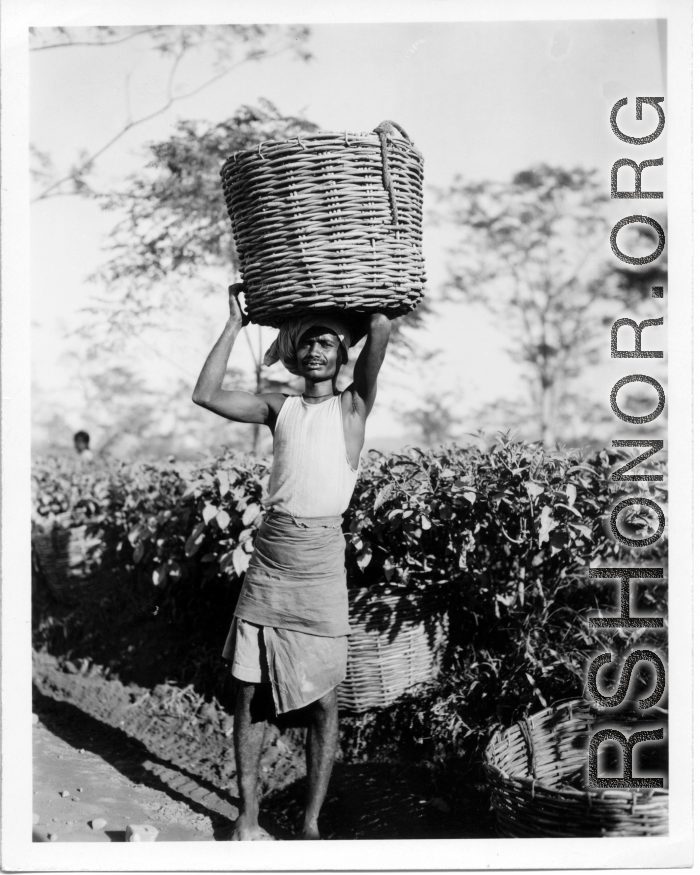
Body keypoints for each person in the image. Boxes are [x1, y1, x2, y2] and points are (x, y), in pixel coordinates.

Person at [192, 284, 391, 840]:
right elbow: (205, 395)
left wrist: (361, 293)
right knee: (248, 691)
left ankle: (309, 825)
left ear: (341, 354)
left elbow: (380, 326)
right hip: (273, 556)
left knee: (324, 701)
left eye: (327, 342)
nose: (316, 351)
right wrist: (234, 325)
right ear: (294, 352)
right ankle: (248, 817)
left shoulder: (354, 405)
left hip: (322, 559)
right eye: (305, 342)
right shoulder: (280, 407)